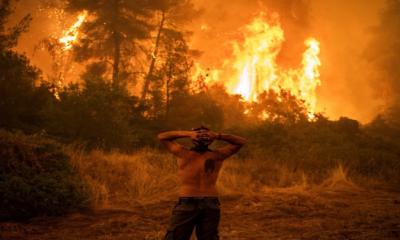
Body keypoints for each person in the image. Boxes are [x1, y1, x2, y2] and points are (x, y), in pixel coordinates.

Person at [158, 126, 247, 240]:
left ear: (210, 138)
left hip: (208, 203)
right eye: (198, 134)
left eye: (205, 134)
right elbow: (162, 137)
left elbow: (241, 141)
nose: (201, 137)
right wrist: (188, 133)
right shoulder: (183, 152)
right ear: (193, 138)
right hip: (191, 202)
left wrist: (217, 135)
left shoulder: (216, 155)